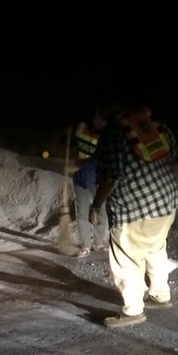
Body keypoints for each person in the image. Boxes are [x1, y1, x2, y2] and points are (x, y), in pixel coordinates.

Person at [89, 101, 178, 328]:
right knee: (155, 247)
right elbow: (173, 154)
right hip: (167, 202)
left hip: (134, 209)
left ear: (104, 113)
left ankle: (133, 310)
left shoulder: (113, 133)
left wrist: (96, 205)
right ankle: (160, 295)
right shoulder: (152, 124)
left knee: (127, 258)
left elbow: (112, 175)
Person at [68, 106, 110, 256]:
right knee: (82, 213)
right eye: (97, 119)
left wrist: (78, 165)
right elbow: (73, 146)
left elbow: (98, 159)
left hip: (98, 179)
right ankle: (85, 245)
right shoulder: (82, 129)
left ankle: (98, 243)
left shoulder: (106, 137)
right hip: (81, 179)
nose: (98, 122)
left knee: (101, 211)